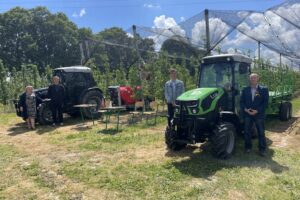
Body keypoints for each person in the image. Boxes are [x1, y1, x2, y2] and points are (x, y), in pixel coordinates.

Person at [240, 73, 269, 156]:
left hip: (259, 114)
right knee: (247, 132)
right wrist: (246, 109)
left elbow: (265, 103)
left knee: (261, 132)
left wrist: (257, 111)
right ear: (249, 79)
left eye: (254, 78)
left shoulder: (263, 89)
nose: (252, 79)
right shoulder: (245, 89)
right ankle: (248, 147)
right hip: (248, 114)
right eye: (251, 78)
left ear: (258, 79)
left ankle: (262, 149)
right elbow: (241, 102)